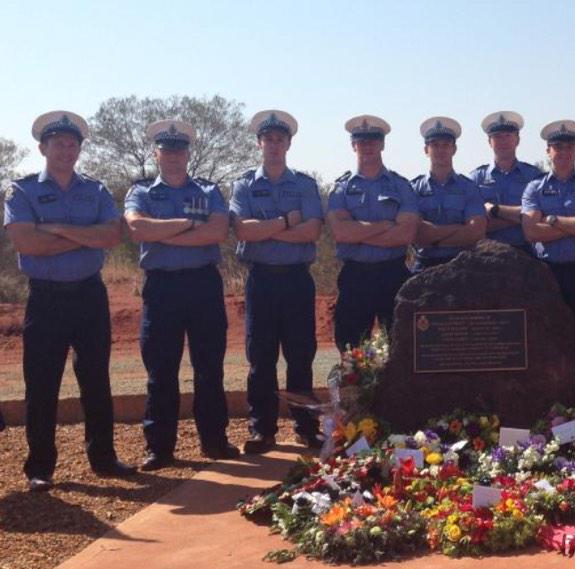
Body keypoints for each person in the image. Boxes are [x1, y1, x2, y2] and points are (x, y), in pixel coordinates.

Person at [3, 111, 135, 491]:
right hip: (46, 300)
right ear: (43, 147)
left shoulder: (95, 190)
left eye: (72, 144)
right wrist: (84, 234)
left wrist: (56, 229)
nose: (65, 150)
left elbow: (111, 236)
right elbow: (27, 243)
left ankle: (104, 457)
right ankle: (40, 468)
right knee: (42, 384)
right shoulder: (22, 190)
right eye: (58, 143)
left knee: (96, 379)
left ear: (79, 149)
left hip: (89, 296)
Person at [124, 119, 239, 470]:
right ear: (156, 154)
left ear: (188, 153)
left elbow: (218, 231)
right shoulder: (141, 191)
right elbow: (135, 227)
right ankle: (160, 448)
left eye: (179, 149)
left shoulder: (207, 190)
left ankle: (214, 441)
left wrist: (162, 234)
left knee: (209, 367)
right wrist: (190, 224)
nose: (174, 155)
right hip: (161, 288)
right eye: (167, 150)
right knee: (161, 370)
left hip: (202, 286)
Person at [230, 110, 323, 454]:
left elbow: (311, 230)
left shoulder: (304, 183)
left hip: (297, 281)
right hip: (261, 282)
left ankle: (306, 427)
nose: (273, 144)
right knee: (261, 357)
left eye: (279, 139)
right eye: (267, 139)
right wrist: (287, 221)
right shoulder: (243, 184)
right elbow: (242, 230)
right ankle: (262, 429)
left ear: (288, 143)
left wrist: (265, 229)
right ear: (259, 143)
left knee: (301, 356)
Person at [522, 120, 575, 381]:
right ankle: (552, 408)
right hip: (548, 275)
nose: (563, 151)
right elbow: (531, 231)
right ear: (548, 151)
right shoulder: (534, 187)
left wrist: (552, 220)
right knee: (548, 339)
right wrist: (574, 224)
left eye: (569, 146)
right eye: (557, 146)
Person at [326, 115, 419, 352]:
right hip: (355, 276)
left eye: (373, 140)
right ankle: (354, 391)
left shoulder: (401, 186)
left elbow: (406, 235)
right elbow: (341, 233)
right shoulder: (341, 189)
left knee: (401, 346)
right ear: (353, 145)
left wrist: (359, 230)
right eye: (361, 140)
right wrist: (386, 225)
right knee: (351, 349)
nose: (368, 146)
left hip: (393, 274)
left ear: (382, 144)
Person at [411, 117, 486, 271]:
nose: (441, 150)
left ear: (454, 149)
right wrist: (459, 229)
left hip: (461, 266)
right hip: (424, 267)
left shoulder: (468, 187)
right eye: (435, 145)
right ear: (426, 150)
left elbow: (476, 232)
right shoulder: (414, 188)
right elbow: (416, 233)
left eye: (446, 145)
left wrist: (434, 237)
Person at [469, 111, 543, 253]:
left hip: (528, 253)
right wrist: (522, 218)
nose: (503, 141)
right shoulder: (476, 179)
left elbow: (541, 216)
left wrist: (494, 210)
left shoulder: (534, 176)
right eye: (497, 137)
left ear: (517, 140)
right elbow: (476, 225)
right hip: (486, 255)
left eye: (508, 136)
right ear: (489, 142)